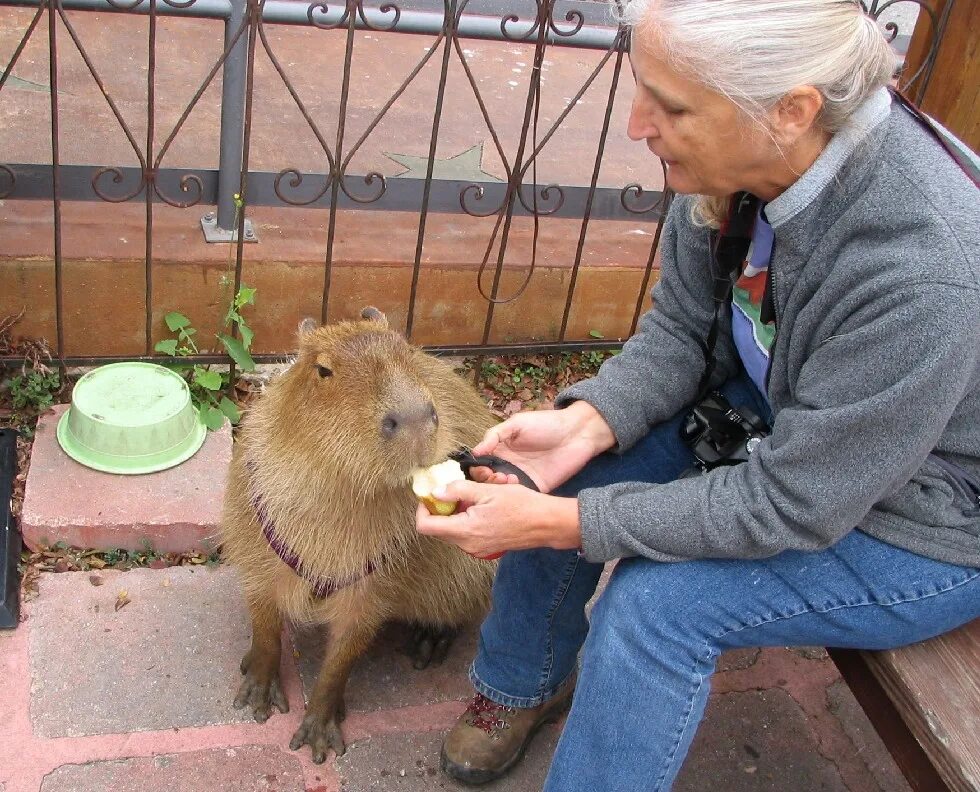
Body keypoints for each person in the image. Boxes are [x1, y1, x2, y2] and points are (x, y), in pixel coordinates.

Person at [415, 0, 980, 789]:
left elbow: (795, 503)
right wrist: (591, 422)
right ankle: (520, 684)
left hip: (919, 516)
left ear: (791, 111)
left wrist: (567, 525)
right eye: (641, 84)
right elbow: (685, 330)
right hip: (783, 422)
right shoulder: (742, 164)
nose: (637, 124)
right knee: (550, 472)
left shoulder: (919, 272)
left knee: (655, 607)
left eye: (673, 106)